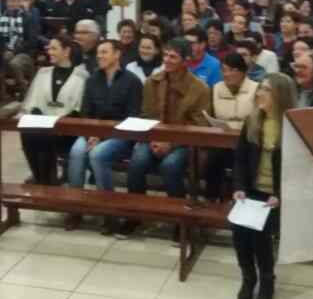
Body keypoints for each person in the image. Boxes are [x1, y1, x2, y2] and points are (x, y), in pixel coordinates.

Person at [121, 38, 210, 238]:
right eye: (165, 55)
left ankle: (180, 220)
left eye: (173, 57)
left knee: (170, 165)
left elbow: (200, 125)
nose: (167, 60)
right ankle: (134, 214)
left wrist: (172, 143)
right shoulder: (152, 82)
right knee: (137, 162)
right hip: (154, 137)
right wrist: (155, 139)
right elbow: (146, 116)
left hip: (184, 142)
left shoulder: (200, 88)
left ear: (186, 61)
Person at [232, 72, 298, 299]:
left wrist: (280, 194)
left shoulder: (293, 127)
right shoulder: (252, 120)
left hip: (275, 195)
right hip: (251, 190)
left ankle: (267, 281)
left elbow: (297, 169)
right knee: (239, 235)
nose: (259, 93)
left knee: (260, 239)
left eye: (266, 90)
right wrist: (239, 187)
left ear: (281, 96)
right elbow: (240, 159)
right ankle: (248, 278)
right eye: (260, 88)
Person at [66, 39, 143, 232]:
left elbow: (132, 117)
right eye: (98, 52)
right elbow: (85, 113)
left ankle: (109, 212)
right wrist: (92, 134)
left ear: (117, 54)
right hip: (92, 132)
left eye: (104, 52)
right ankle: (75, 209)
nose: (99, 56)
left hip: (121, 135)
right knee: (76, 152)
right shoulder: (92, 80)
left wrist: (102, 136)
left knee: (98, 154)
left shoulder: (132, 81)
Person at [20, 35, 88, 186]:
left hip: (68, 127)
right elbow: (33, 103)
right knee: (27, 133)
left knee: (44, 136)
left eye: (54, 48)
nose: (49, 52)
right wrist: (39, 120)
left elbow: (79, 109)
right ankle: (40, 178)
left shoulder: (81, 76)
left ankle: (47, 182)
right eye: (49, 48)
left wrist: (58, 123)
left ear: (66, 51)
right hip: (43, 124)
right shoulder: (43, 72)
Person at [204, 53, 258, 200]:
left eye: (233, 70)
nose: (227, 74)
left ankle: (240, 200)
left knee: (242, 162)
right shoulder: (215, 88)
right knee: (212, 161)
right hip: (222, 140)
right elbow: (210, 115)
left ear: (243, 71)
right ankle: (211, 201)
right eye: (224, 70)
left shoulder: (256, 89)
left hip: (247, 141)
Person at [0, 0, 39, 92]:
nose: (10, 4)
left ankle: (25, 90)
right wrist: (5, 49)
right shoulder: (3, 16)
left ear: (19, 2)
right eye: (8, 1)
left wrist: (14, 51)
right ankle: (5, 89)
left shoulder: (28, 17)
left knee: (14, 63)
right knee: (2, 57)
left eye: (13, 1)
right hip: (8, 49)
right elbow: (0, 38)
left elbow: (31, 41)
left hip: (25, 51)